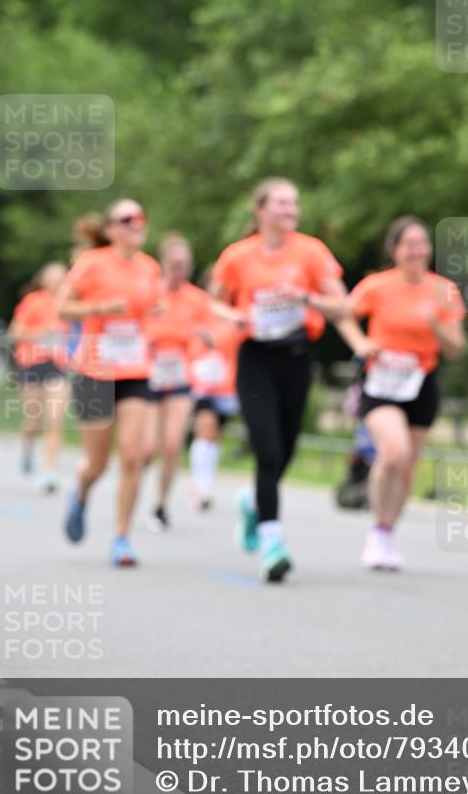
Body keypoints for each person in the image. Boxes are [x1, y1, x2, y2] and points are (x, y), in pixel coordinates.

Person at [209, 177, 347, 582]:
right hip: (255, 358)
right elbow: (211, 301)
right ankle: (273, 541)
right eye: (282, 203)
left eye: (294, 203)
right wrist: (231, 316)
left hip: (297, 356)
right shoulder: (238, 256)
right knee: (266, 449)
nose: (290, 210)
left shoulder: (311, 252)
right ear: (261, 210)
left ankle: (253, 504)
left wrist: (306, 298)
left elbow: (342, 306)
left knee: (286, 448)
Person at [337, 216, 466, 570]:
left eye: (422, 243)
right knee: (394, 452)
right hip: (381, 381)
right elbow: (344, 315)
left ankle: (388, 533)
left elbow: (455, 347)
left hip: (421, 383)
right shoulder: (376, 286)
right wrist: (360, 342)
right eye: (408, 244)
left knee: (408, 466)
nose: (416, 250)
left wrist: (436, 324)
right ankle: (377, 529)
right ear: (394, 250)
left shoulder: (444, 290)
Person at [58, 200, 162, 567]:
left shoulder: (150, 268)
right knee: (97, 464)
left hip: (135, 368)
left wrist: (156, 314)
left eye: (140, 217)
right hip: (94, 371)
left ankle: (121, 537)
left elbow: (153, 309)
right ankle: (82, 491)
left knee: (134, 455)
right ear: (111, 228)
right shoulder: (92, 264)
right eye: (127, 219)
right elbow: (62, 308)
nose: (137, 224)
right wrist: (99, 310)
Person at [143, 235, 210, 531]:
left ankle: (160, 505)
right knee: (146, 448)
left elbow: (207, 336)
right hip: (148, 374)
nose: (178, 271)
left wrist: (202, 342)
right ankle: (135, 484)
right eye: (173, 265)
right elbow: (136, 329)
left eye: (183, 266)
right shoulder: (150, 294)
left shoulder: (197, 299)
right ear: (162, 265)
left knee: (172, 445)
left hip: (180, 376)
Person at [8, 263, 69, 492]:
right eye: (53, 279)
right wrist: (40, 334)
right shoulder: (33, 301)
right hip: (31, 362)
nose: (57, 283)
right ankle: (27, 445)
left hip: (56, 364)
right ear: (44, 281)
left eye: (61, 278)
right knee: (33, 420)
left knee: (54, 419)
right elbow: (15, 333)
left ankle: (50, 471)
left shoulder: (68, 304)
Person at [187, 308, 243, 512]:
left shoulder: (234, 319)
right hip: (201, 386)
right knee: (205, 429)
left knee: (214, 437)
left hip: (225, 388)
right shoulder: (197, 315)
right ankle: (200, 490)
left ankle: (204, 484)